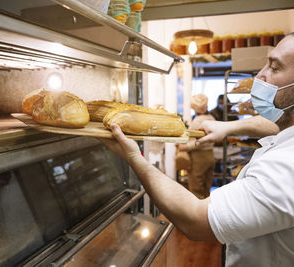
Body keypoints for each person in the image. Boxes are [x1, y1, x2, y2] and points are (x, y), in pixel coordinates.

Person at [100, 32, 293, 266]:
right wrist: (229, 127)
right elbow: (274, 127)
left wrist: (134, 156)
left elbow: (194, 218)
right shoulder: (286, 134)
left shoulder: (286, 168)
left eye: (274, 67)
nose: (260, 75)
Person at [178, 94, 215, 199]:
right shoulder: (211, 118)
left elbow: (199, 142)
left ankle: (199, 214)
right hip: (210, 155)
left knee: (196, 189)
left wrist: (184, 147)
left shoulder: (198, 121)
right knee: (206, 187)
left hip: (199, 158)